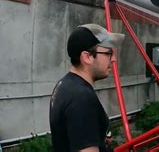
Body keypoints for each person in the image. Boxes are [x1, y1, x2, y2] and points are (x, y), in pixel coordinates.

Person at [49, 24, 125, 152]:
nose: (114, 59)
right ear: (87, 57)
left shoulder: (64, 85)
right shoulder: (81, 97)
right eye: (108, 53)